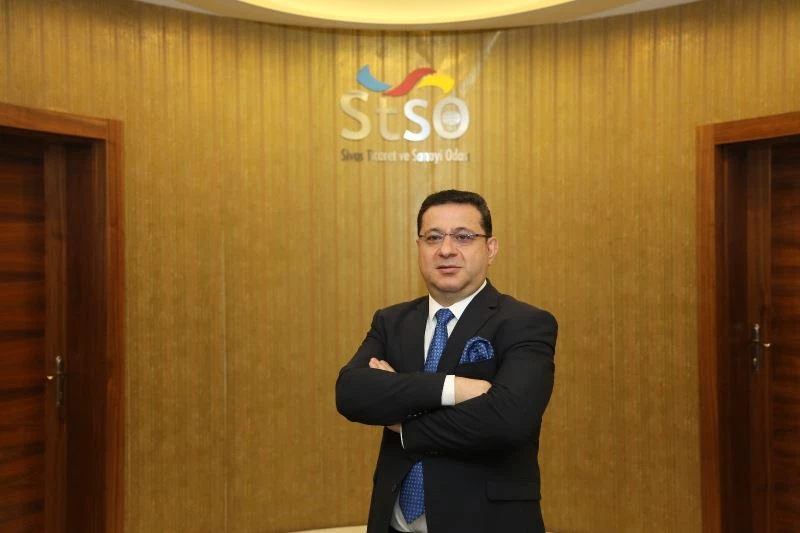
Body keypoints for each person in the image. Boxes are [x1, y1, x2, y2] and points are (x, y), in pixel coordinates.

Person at [336, 189, 557, 533]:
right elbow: (350, 393)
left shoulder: (524, 323)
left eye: (464, 237)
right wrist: (453, 389)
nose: (446, 249)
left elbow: (508, 420)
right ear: (419, 247)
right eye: (433, 237)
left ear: (491, 249)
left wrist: (404, 424)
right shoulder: (392, 322)